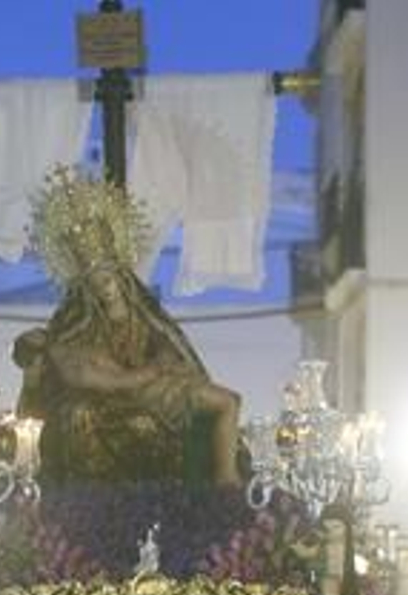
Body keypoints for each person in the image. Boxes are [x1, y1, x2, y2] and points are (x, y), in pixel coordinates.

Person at [23, 169, 244, 486]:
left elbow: (171, 348)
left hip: (159, 388)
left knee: (226, 401)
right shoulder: (76, 326)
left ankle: (227, 481)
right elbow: (82, 372)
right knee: (87, 416)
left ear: (122, 278)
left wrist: (168, 368)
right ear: (86, 288)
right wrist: (146, 373)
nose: (107, 288)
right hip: (113, 399)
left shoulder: (144, 313)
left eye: (111, 278)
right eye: (98, 282)